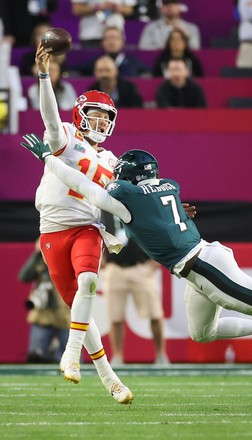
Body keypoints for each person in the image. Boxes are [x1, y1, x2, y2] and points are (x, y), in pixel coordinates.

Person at [21, 140, 252, 353]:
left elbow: (85, 186)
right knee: (202, 333)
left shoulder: (129, 197)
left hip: (204, 265)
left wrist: (48, 158)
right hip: (199, 264)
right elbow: (157, 210)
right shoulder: (168, 186)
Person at [25, 44, 134, 405]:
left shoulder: (112, 159)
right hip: (52, 230)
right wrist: (44, 77)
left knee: (88, 282)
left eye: (107, 117)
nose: (101, 122)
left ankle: (70, 353)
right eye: (95, 115)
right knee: (78, 305)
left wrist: (173, 206)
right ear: (80, 114)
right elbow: (51, 119)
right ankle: (108, 375)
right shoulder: (66, 138)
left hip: (86, 227)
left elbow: (131, 196)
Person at [101, 212, 169, 366]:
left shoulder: (139, 204)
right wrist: (101, 258)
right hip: (115, 267)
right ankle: (117, 357)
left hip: (141, 266)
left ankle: (161, 355)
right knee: (115, 317)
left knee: (155, 314)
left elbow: (159, 231)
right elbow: (94, 231)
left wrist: (154, 262)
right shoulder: (103, 207)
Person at [18, 238, 71, 363]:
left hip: (64, 316)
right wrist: (36, 255)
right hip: (42, 316)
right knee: (36, 358)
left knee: (72, 359)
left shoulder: (65, 260)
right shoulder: (39, 263)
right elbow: (23, 276)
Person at [71, 0, 137, 48]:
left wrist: (117, 7)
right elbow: (76, 9)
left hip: (115, 35)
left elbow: (130, 10)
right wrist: (97, 7)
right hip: (91, 35)